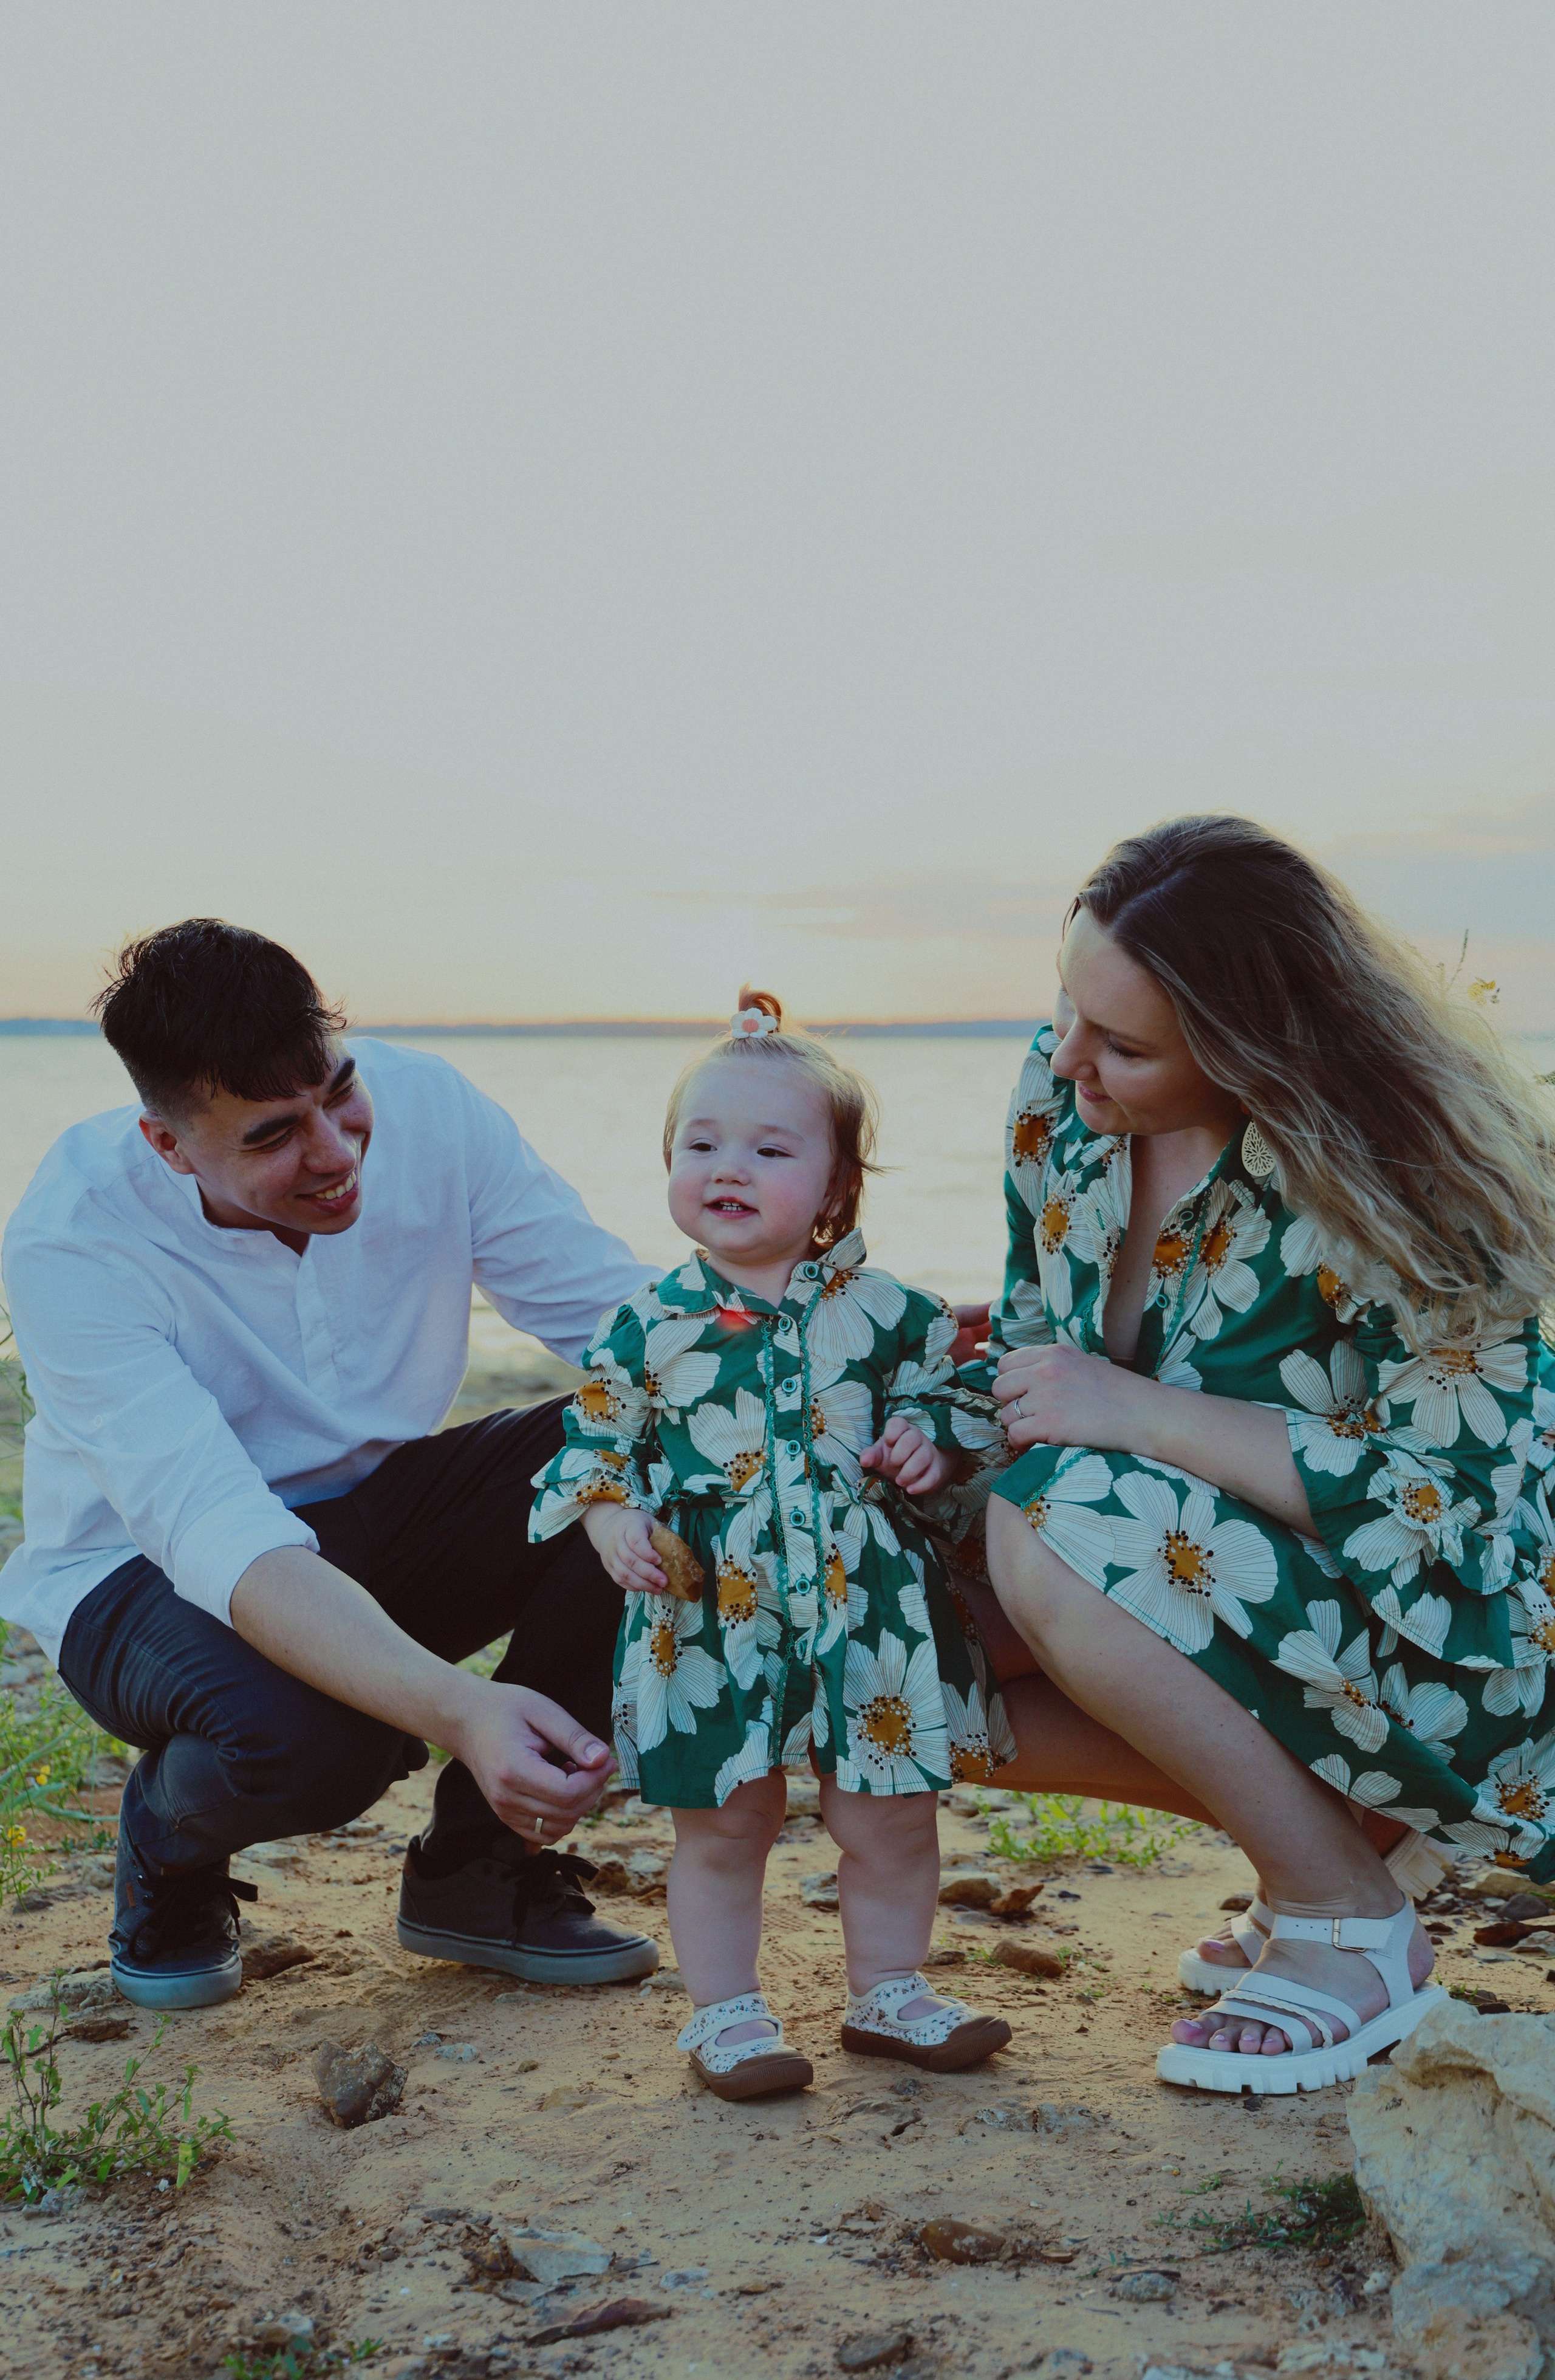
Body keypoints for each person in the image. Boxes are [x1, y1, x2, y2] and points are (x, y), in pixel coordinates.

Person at [955, 816, 1555, 2094]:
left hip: (1443, 1631)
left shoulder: (1406, 1179)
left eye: (1120, 1044)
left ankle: (1345, 1917)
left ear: (1249, 1047)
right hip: (1186, 1573)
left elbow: (1452, 1513)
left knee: (1057, 1513)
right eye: (1066, 1008)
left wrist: (1137, 1412)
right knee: (839, 1609)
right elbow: (1034, 1337)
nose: (1067, 1061)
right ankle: (1326, 1835)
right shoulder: (1060, 1096)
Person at [0, 919, 665, 2010]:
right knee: (326, 1745)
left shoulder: (432, 1110)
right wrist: (455, 1707)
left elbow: (622, 1323)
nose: (336, 1151)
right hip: (138, 1578)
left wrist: (861, 1344)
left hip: (374, 1520)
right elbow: (220, 1532)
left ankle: (476, 1874)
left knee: (649, 1424)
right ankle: (168, 1836)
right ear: (169, 1145)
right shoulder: (74, 1237)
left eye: (337, 1091)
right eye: (272, 1136)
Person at [528, 990, 1014, 2098]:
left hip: (869, 1599)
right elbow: (590, 1443)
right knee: (722, 1820)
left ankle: (891, 1990)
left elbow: (964, 1395)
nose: (727, 1166)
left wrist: (930, 1436)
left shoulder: (889, 1309)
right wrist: (612, 1520)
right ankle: (726, 2014)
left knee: (888, 1813)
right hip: (712, 1608)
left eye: (769, 1146)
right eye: (699, 1144)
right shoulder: (646, 1322)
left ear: (837, 1187)